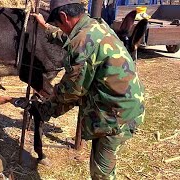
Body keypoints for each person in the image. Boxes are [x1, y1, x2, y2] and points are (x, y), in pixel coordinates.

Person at [30, 0, 145, 179]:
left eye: (58, 23)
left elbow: (71, 91)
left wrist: (45, 106)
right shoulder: (95, 25)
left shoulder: (82, 42)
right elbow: (68, 37)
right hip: (123, 106)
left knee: (101, 173)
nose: (60, 27)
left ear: (64, 17)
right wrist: (46, 27)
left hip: (115, 117)